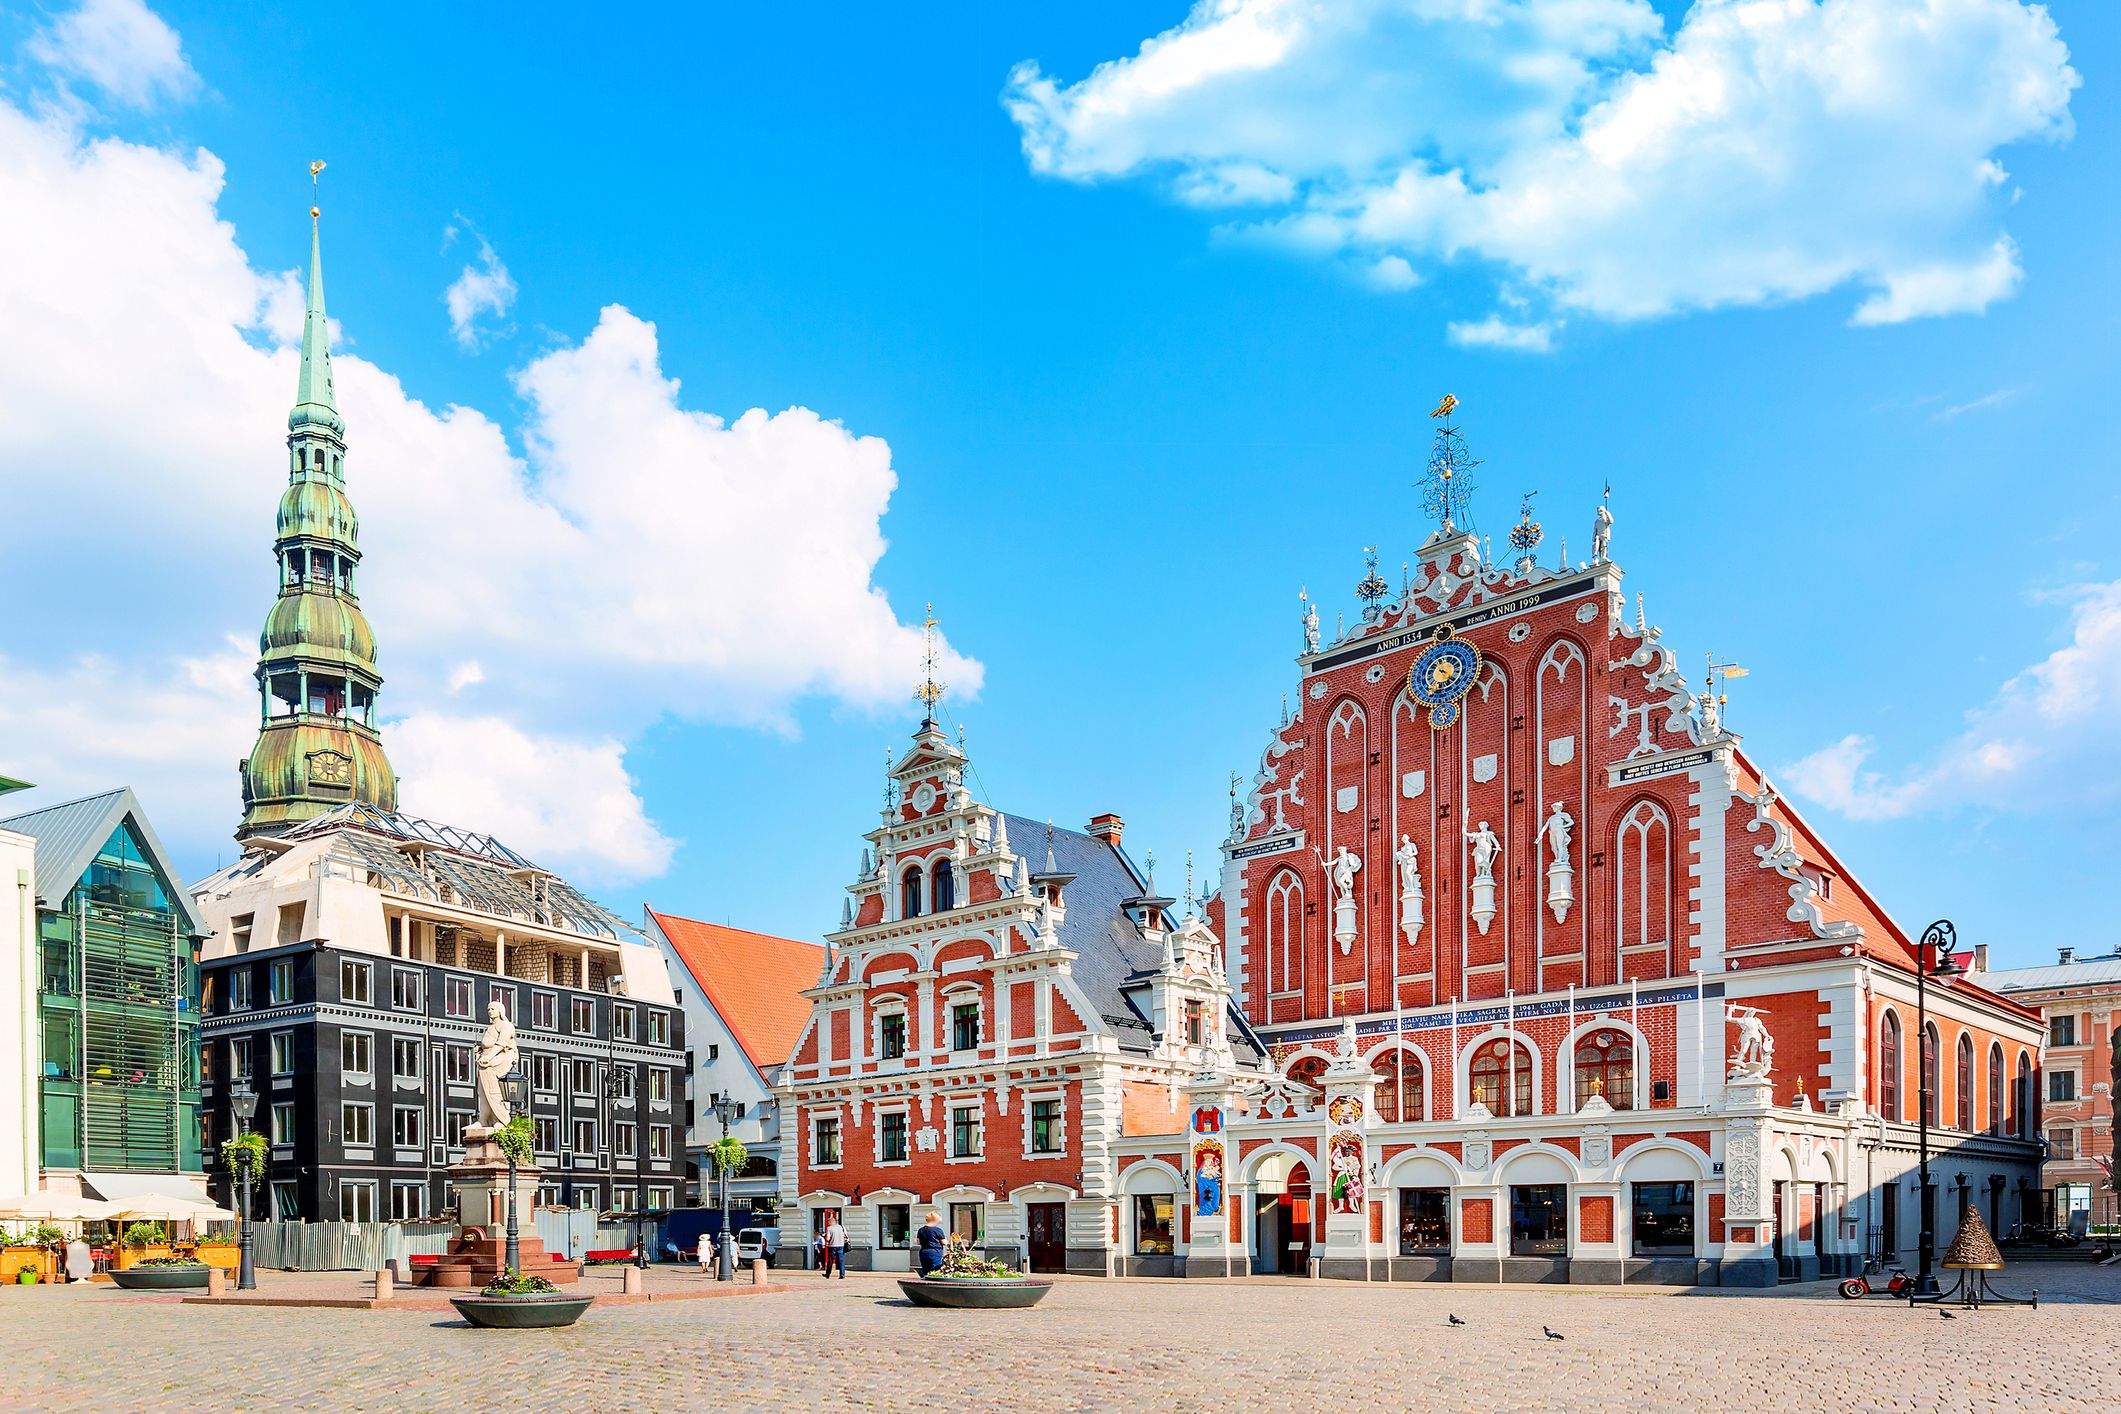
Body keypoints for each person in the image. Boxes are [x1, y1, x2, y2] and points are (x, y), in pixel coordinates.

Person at [915, 1212, 947, 1278]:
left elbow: (918, 1242)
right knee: (936, 1271)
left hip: (924, 1251)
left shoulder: (921, 1230)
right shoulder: (938, 1230)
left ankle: (924, 1282)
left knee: (925, 1271)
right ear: (936, 1220)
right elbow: (944, 1242)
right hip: (935, 1252)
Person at [823, 1215, 847, 1279]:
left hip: (833, 1246)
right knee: (841, 1261)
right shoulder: (841, 1227)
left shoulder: (829, 1228)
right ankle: (842, 1274)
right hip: (841, 1245)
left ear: (830, 1222)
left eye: (828, 1222)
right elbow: (845, 1235)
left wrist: (825, 1236)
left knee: (830, 1261)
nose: (828, 1223)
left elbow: (828, 1238)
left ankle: (828, 1274)